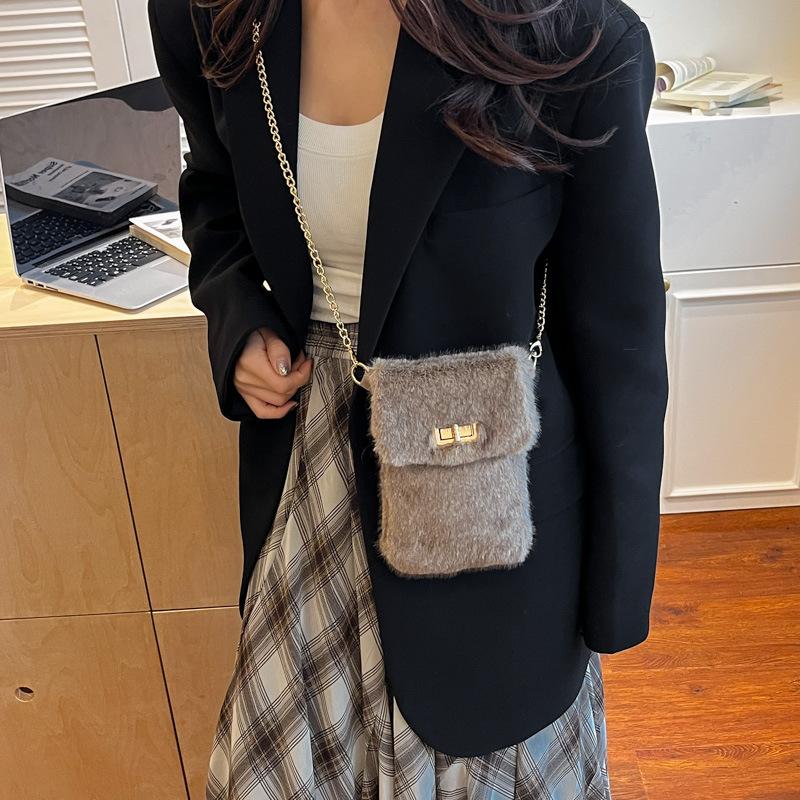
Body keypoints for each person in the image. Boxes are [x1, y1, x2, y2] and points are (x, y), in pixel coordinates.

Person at [148, 0, 668, 796]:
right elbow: (214, 191)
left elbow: (618, 332)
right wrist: (237, 317)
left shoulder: (573, 37)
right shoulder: (209, 16)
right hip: (308, 482)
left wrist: (613, 594)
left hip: (491, 492)